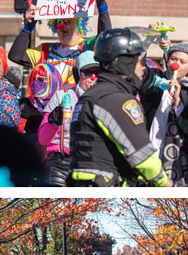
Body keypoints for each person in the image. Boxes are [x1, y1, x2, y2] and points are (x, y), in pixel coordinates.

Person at [69, 28, 171, 187]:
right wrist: (167, 184)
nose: (144, 68)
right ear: (124, 63)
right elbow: (143, 157)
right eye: (140, 62)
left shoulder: (93, 95)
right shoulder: (115, 99)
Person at [9, 0, 111, 91]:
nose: (61, 26)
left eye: (67, 21)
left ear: (78, 24)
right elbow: (16, 55)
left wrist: (101, 5)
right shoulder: (44, 51)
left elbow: (106, 39)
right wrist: (29, 26)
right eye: (57, 22)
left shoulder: (89, 45)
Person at [140, 41, 188, 186]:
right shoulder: (155, 78)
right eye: (173, 59)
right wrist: (147, 42)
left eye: (183, 61)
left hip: (178, 158)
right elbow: (138, 69)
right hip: (150, 149)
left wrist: (177, 99)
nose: (176, 64)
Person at [37, 52, 97, 185]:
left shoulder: (107, 100)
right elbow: (42, 138)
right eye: (87, 72)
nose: (93, 77)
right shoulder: (62, 96)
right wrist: (53, 122)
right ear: (77, 74)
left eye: (97, 72)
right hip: (60, 165)